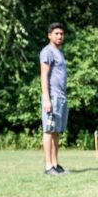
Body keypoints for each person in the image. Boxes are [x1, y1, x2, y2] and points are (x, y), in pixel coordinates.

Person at [39, 22, 68, 175]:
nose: (59, 36)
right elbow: (44, 75)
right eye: (56, 33)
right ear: (49, 35)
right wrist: (46, 99)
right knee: (48, 130)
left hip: (61, 97)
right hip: (52, 97)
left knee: (57, 131)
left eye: (61, 34)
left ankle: (55, 164)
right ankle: (48, 166)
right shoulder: (47, 52)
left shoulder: (59, 52)